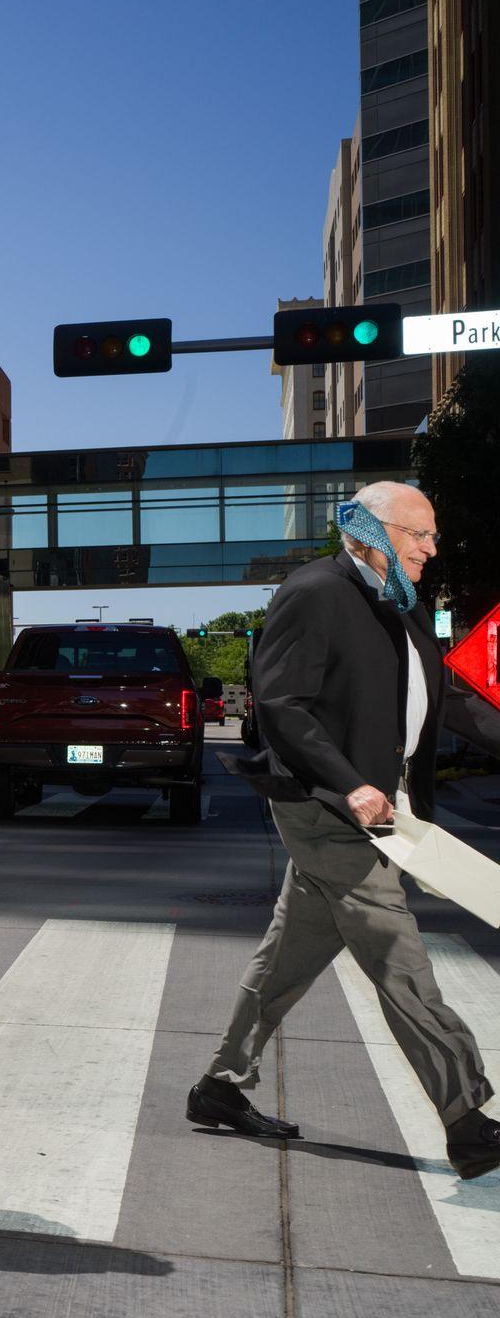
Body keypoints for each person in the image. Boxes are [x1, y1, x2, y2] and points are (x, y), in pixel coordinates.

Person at [193, 481, 500, 1177]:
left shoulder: (405, 607)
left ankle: (219, 1086)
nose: (431, 546)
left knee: (287, 957)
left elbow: (444, 701)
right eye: (417, 534)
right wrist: (350, 782)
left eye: (432, 534)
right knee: (400, 959)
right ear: (369, 532)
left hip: (383, 810)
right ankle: (468, 1119)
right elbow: (282, 705)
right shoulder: (316, 593)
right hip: (327, 809)